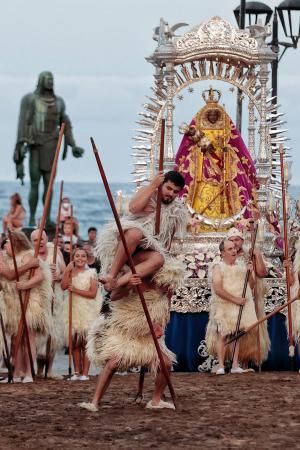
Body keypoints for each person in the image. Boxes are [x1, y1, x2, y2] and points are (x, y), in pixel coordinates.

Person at [79, 257, 184, 411]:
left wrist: (160, 326)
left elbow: (165, 310)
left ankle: (156, 400)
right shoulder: (134, 277)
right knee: (113, 363)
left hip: (147, 334)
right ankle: (94, 401)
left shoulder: (167, 289)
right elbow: (113, 296)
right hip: (125, 332)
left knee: (166, 364)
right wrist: (128, 286)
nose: (167, 285)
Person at [175, 87, 258, 232]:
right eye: (210, 114)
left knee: (230, 198)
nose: (213, 117)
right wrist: (201, 149)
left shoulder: (226, 128)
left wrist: (224, 152)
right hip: (201, 169)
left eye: (215, 114)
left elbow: (236, 146)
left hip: (224, 170)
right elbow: (186, 148)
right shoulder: (198, 129)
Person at [13, 71, 84, 227]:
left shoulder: (59, 102)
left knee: (49, 183)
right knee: (34, 182)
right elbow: (22, 123)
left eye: (52, 79)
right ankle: (32, 218)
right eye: (47, 79)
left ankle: (46, 217)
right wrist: (20, 145)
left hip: (52, 145)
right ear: (40, 80)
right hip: (36, 145)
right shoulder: (30, 99)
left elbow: (66, 124)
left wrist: (73, 145)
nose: (50, 81)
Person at [97, 170, 187, 292]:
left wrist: (164, 263)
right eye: (168, 188)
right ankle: (111, 276)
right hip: (124, 247)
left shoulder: (176, 212)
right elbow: (133, 208)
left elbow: (167, 243)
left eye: (175, 192)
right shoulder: (148, 192)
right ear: (161, 184)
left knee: (159, 258)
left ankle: (116, 283)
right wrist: (153, 185)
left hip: (143, 255)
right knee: (135, 233)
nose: (171, 193)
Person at [0, 230, 52, 383]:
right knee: (16, 338)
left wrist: (26, 284)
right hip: (13, 301)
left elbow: (39, 276)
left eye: (7, 243)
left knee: (28, 336)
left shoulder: (28, 254)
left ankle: (29, 372)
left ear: (15, 243)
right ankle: (16, 372)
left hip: (29, 300)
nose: (5, 246)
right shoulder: (5, 259)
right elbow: (9, 275)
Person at [205, 239, 258, 375]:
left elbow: (251, 285)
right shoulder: (218, 266)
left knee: (237, 334)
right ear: (223, 253)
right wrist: (235, 300)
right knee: (222, 334)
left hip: (239, 305)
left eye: (234, 248)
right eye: (230, 249)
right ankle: (221, 365)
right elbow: (218, 289)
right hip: (224, 304)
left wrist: (250, 272)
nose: (234, 251)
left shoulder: (241, 267)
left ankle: (235, 365)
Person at [227, 227, 270, 367]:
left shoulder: (250, 253)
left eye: (237, 240)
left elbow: (262, 273)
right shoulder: (226, 254)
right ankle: (231, 361)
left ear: (242, 241)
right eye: (232, 240)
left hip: (250, 296)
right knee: (231, 328)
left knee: (249, 329)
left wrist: (257, 254)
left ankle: (245, 361)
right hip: (232, 295)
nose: (235, 243)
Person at [61, 247, 101, 381]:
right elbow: (63, 286)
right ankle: (76, 372)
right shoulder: (70, 272)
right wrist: (67, 270)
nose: (80, 258)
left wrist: (76, 290)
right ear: (73, 258)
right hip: (72, 308)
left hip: (86, 310)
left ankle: (85, 373)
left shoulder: (92, 273)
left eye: (83, 256)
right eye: (77, 256)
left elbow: (92, 293)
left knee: (85, 342)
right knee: (75, 342)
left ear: (87, 258)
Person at [30, 229, 66, 379]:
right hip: (39, 297)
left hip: (56, 298)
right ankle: (38, 369)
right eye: (36, 240)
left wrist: (58, 276)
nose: (40, 242)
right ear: (32, 242)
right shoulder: (30, 256)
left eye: (42, 238)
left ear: (46, 239)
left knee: (54, 332)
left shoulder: (56, 252)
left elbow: (66, 273)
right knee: (40, 332)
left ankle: (49, 369)